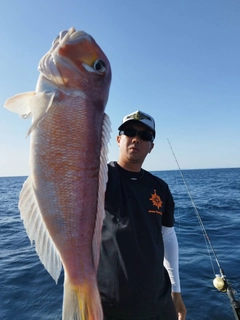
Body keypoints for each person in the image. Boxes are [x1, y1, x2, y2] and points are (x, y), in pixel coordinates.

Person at [97, 110, 187, 320]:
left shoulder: (160, 188)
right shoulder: (99, 177)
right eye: (129, 132)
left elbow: (168, 238)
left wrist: (176, 291)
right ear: (119, 140)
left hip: (158, 300)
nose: (136, 138)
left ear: (151, 147)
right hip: (106, 301)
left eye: (145, 136)